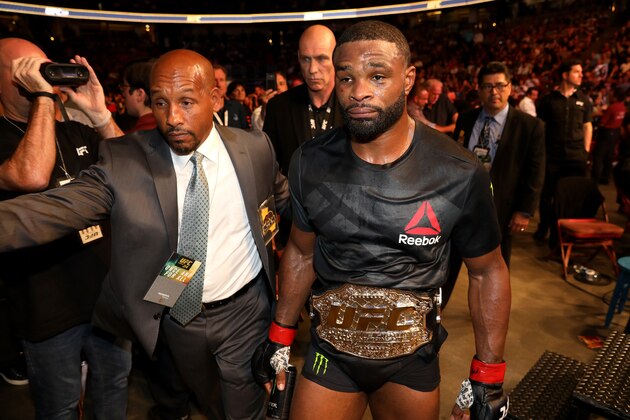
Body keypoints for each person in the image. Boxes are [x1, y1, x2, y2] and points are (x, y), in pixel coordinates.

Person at [0, 49, 290, 419]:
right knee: (207, 401)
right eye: (160, 103)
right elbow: (46, 212)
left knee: (244, 408)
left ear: (215, 98)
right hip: (177, 318)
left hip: (246, 312)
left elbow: (285, 202)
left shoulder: (254, 148)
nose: (172, 118)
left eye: (186, 102)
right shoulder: (125, 160)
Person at [252, 20, 510, 420]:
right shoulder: (309, 162)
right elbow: (302, 254)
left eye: (376, 76)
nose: (358, 92)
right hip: (329, 352)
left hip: (411, 359)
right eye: (346, 78)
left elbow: (487, 271)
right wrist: (280, 336)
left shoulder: (459, 170)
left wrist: (488, 377)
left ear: (408, 79)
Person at [0, 37, 130, 419]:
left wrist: (101, 114)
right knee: (58, 408)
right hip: (47, 310)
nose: (41, 75)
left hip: (106, 299)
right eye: (25, 68)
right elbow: (32, 174)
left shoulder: (76, 131)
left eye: (44, 67)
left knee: (113, 393)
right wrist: (43, 98)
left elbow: (132, 172)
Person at [445, 61, 544, 307]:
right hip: (461, 205)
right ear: (479, 90)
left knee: (495, 268)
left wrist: (524, 211)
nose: (494, 92)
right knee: (448, 264)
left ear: (510, 87)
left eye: (500, 85)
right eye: (488, 86)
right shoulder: (466, 119)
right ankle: (436, 311)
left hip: (501, 207)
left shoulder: (530, 126)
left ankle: (491, 311)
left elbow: (535, 171)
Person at [263, 24, 344, 174]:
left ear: (336, 57)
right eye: (306, 59)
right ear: (298, 58)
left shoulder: (354, 104)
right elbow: (268, 170)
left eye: (321, 59)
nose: (312, 69)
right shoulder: (279, 108)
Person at [535, 59, 593, 244]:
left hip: (576, 157)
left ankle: (562, 234)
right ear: (565, 75)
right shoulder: (547, 100)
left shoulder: (584, 100)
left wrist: (585, 150)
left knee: (571, 195)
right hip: (552, 155)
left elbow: (587, 126)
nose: (581, 75)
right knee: (547, 195)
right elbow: (540, 126)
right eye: (577, 71)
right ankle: (544, 226)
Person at [591, 87, 626, 185]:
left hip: (607, 133)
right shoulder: (622, 107)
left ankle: (595, 179)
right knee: (609, 156)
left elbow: (602, 123)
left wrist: (600, 114)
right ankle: (606, 177)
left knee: (598, 156)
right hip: (615, 133)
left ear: (615, 96)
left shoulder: (612, 107)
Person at [120, 59, 158, 133]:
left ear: (139, 94)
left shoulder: (140, 134)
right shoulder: (163, 125)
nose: (123, 94)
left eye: (125, 87)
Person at [213, 64, 248, 129]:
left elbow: (245, 133)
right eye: (215, 80)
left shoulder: (237, 107)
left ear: (226, 83)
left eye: (221, 80)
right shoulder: (203, 109)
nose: (219, 84)